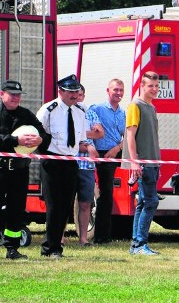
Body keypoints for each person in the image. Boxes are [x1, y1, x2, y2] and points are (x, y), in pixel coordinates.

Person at [0, 80, 50, 262]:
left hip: (19, 170)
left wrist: (40, 141)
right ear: (2, 94)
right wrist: (16, 140)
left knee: (16, 209)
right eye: (12, 94)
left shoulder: (26, 115)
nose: (16, 98)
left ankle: (12, 249)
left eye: (18, 95)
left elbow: (44, 135)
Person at [36, 75, 89, 259]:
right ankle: (49, 247)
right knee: (54, 205)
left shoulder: (81, 111)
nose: (74, 95)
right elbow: (38, 135)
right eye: (71, 91)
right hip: (52, 160)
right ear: (61, 91)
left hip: (70, 161)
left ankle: (56, 246)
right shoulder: (49, 109)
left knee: (66, 206)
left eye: (76, 91)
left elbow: (81, 139)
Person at [124, 71, 161, 256]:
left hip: (153, 162)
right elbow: (130, 134)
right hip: (144, 163)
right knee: (150, 202)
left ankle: (136, 244)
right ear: (142, 86)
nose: (154, 90)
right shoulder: (135, 106)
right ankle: (140, 244)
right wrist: (134, 161)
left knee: (143, 203)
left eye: (156, 86)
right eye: (151, 86)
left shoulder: (151, 107)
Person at [89, 78, 126, 244]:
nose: (118, 93)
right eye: (115, 90)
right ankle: (102, 236)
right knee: (106, 195)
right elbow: (86, 130)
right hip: (103, 154)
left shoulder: (123, 113)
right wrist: (93, 149)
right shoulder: (96, 109)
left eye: (121, 90)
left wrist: (117, 149)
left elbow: (128, 137)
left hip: (118, 152)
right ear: (108, 91)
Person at [72, 85, 104, 246]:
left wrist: (81, 134)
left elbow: (100, 132)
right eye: (75, 95)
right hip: (70, 163)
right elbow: (67, 139)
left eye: (81, 95)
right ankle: (60, 237)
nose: (78, 97)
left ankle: (83, 238)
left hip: (87, 166)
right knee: (64, 202)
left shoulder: (90, 112)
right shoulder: (67, 112)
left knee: (85, 203)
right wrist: (86, 140)